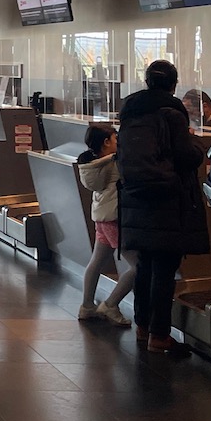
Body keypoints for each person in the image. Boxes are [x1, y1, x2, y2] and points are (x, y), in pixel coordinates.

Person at [117, 60, 207, 357]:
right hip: (167, 199)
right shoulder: (172, 112)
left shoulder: (130, 110)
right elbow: (184, 156)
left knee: (145, 263)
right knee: (165, 268)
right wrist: (197, 147)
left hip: (135, 198)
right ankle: (160, 335)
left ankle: (142, 327)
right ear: (173, 84)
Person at [77, 123, 135, 327]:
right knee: (139, 265)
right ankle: (111, 304)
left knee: (97, 261)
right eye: (115, 138)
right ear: (106, 142)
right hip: (114, 218)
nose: (118, 141)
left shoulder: (94, 164)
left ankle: (86, 305)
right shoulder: (114, 163)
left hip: (101, 217)